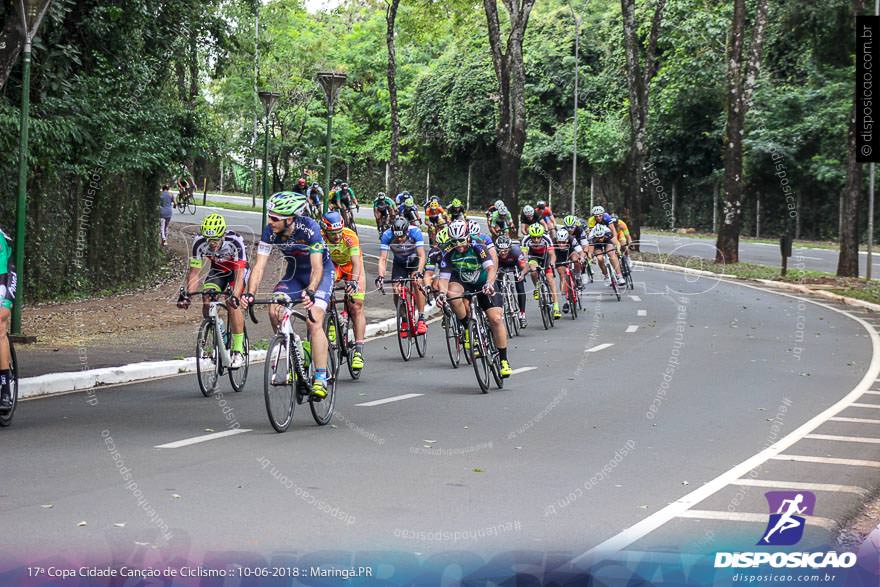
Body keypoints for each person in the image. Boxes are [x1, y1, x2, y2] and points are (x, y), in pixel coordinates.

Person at [240, 192, 334, 399]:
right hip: (293, 274)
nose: (270, 221)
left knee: (314, 320)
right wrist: (249, 294)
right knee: (274, 309)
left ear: (290, 218)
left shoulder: (310, 228)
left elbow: (317, 267)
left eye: (275, 218)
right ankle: (296, 351)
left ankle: (320, 377)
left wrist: (310, 290)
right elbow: (259, 267)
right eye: (269, 216)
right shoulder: (269, 232)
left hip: (320, 274)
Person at [435, 220, 512, 377]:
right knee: (451, 295)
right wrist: (442, 294)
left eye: (461, 240)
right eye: (454, 241)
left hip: (484, 283)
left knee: (496, 319)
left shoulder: (478, 248)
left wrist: (490, 283)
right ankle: (467, 328)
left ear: (468, 237)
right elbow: (443, 279)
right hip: (464, 284)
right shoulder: (448, 253)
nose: (459, 245)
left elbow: (490, 268)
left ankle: (504, 360)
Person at [178, 213, 248, 368]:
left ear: (223, 234)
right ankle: (217, 328)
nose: (212, 243)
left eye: (216, 239)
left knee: (232, 303)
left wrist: (236, 296)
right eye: (209, 239)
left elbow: (240, 274)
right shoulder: (199, 242)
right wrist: (188, 296)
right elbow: (195, 273)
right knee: (207, 297)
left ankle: (238, 349)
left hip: (236, 271)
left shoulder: (235, 241)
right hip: (217, 270)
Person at [321, 211, 367, 370]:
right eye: (333, 233)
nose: (337, 236)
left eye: (339, 231)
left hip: (351, 266)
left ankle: (359, 352)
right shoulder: (319, 237)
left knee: (356, 305)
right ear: (325, 231)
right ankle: (332, 321)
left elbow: (356, 262)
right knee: (324, 290)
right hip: (334, 266)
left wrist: (353, 281)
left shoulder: (349, 236)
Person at [375, 217, 428, 336]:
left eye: (402, 237)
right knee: (396, 289)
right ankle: (404, 319)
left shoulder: (415, 232)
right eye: (397, 237)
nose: (399, 240)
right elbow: (383, 258)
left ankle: (421, 318)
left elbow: (422, 255)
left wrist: (419, 272)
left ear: (407, 232)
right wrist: (380, 276)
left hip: (415, 261)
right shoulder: (387, 235)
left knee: (416, 283)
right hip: (400, 263)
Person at [522, 223, 561, 319]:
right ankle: (537, 287)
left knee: (550, 279)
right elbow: (525, 256)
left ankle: (556, 307)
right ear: (530, 236)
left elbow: (552, 254)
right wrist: (525, 267)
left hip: (545, 257)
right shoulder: (525, 240)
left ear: (541, 236)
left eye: (538, 238)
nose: (536, 240)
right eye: (533, 238)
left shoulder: (547, 238)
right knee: (533, 270)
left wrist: (552, 263)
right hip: (533, 257)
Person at [494, 235, 528, 328]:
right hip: (500, 265)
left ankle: (522, 315)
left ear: (510, 248)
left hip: (515, 265)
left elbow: (525, 266)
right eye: (501, 251)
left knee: (520, 284)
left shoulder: (516, 251)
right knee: (496, 285)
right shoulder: (494, 253)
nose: (503, 253)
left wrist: (522, 274)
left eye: (506, 250)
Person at [0, 228, 17, 411]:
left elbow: (4, 277)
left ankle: (5, 388)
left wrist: (5, 304)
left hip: (3, 278)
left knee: (0, 323)